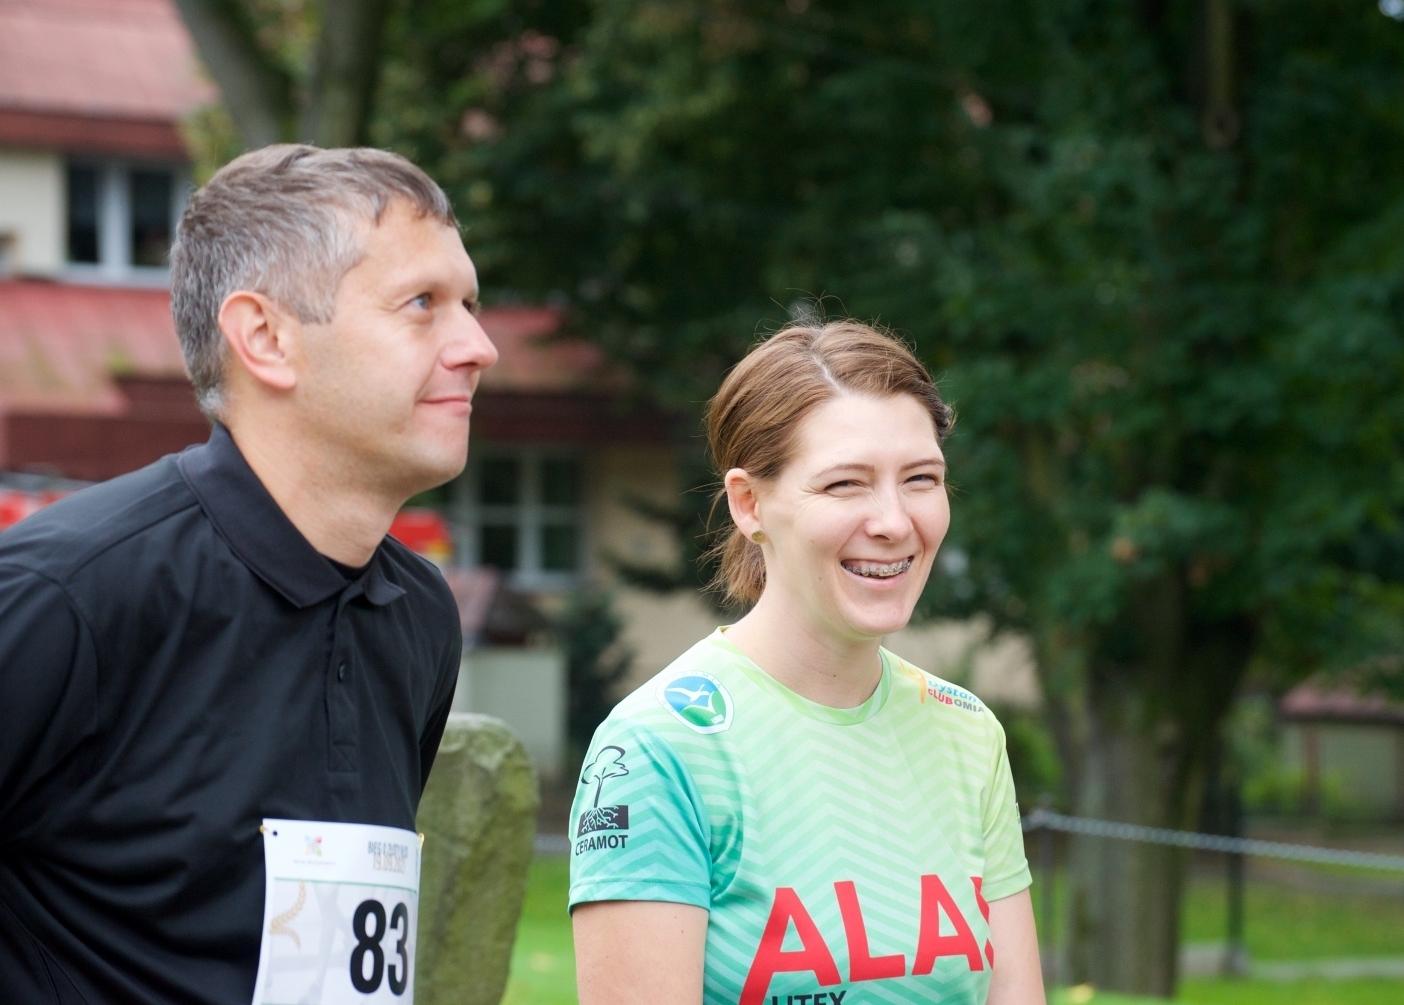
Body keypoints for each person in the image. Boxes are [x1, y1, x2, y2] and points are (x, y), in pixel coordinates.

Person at [0, 144, 498, 1004]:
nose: (479, 346)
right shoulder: (65, 596)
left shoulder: (418, 613)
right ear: (266, 338)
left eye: (470, 303)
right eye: (422, 304)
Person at [568, 321, 1046, 1005]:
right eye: (845, 484)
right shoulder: (658, 746)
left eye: (920, 478)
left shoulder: (968, 732)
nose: (892, 520)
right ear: (749, 503)